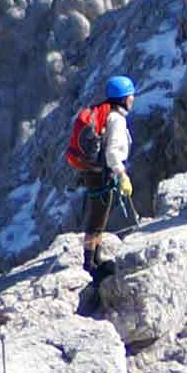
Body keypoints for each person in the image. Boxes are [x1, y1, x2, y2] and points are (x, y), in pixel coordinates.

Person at [65, 75, 136, 296]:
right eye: (131, 95)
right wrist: (122, 174)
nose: (133, 99)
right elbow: (113, 152)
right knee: (99, 217)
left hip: (93, 171)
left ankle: (94, 258)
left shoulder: (106, 113)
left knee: (99, 215)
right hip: (102, 173)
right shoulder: (116, 119)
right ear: (124, 98)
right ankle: (91, 264)